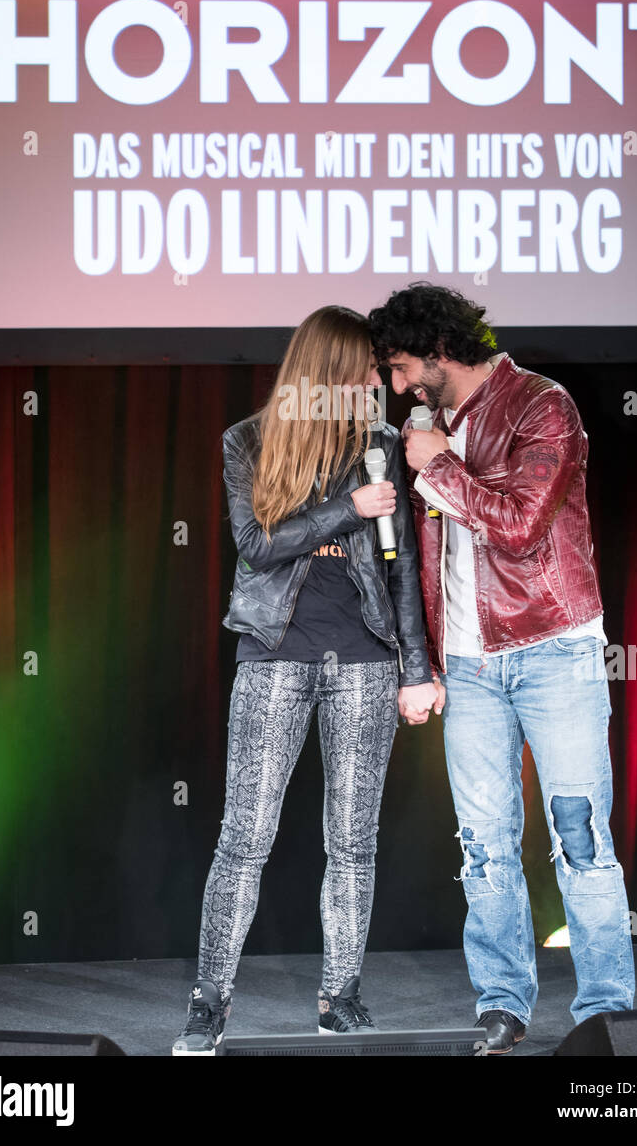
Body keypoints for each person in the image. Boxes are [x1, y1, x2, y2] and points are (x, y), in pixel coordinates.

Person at [368, 281, 635, 1055]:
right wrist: (422, 660)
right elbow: (423, 557)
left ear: (438, 351)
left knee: (579, 838)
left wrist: (440, 468)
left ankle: (605, 1014)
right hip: (468, 664)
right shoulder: (431, 429)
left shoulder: (541, 405)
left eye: (398, 367)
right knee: (483, 846)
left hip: (553, 647)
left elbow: (519, 527)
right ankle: (502, 1005)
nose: (395, 387)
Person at [172, 305, 436, 1055]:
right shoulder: (249, 441)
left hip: (363, 658)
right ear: (329, 369)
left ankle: (340, 994)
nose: (376, 383)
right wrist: (344, 510)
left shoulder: (382, 444)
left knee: (352, 841)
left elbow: (404, 568)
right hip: (275, 656)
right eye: (364, 369)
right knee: (244, 839)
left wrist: (415, 670)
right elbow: (257, 546)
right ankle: (208, 1003)